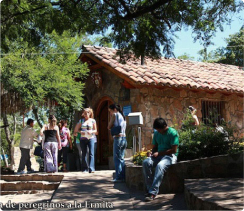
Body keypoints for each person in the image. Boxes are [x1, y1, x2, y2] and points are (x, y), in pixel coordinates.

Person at [143, 118, 179, 201]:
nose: (158, 131)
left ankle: (153, 192)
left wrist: (159, 153)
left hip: (170, 156)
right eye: (156, 130)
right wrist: (151, 153)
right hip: (159, 155)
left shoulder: (172, 133)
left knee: (160, 165)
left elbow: (174, 150)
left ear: (164, 127)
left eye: (159, 129)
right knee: (146, 162)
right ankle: (149, 189)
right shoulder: (156, 133)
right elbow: (155, 147)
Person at [108, 104, 127, 183]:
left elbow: (109, 126)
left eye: (110, 111)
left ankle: (118, 177)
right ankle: (122, 176)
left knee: (116, 158)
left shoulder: (115, 115)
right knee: (121, 158)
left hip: (118, 138)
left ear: (115, 109)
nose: (110, 113)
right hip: (124, 138)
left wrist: (110, 125)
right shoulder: (123, 117)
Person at [74, 108, 97, 173]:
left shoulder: (93, 121)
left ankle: (91, 168)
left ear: (90, 113)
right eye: (85, 113)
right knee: (84, 153)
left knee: (91, 153)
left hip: (91, 138)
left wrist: (91, 131)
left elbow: (96, 131)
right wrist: (80, 132)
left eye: (88, 112)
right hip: (83, 138)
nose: (86, 114)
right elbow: (76, 130)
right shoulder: (81, 121)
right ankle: (84, 169)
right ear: (83, 114)